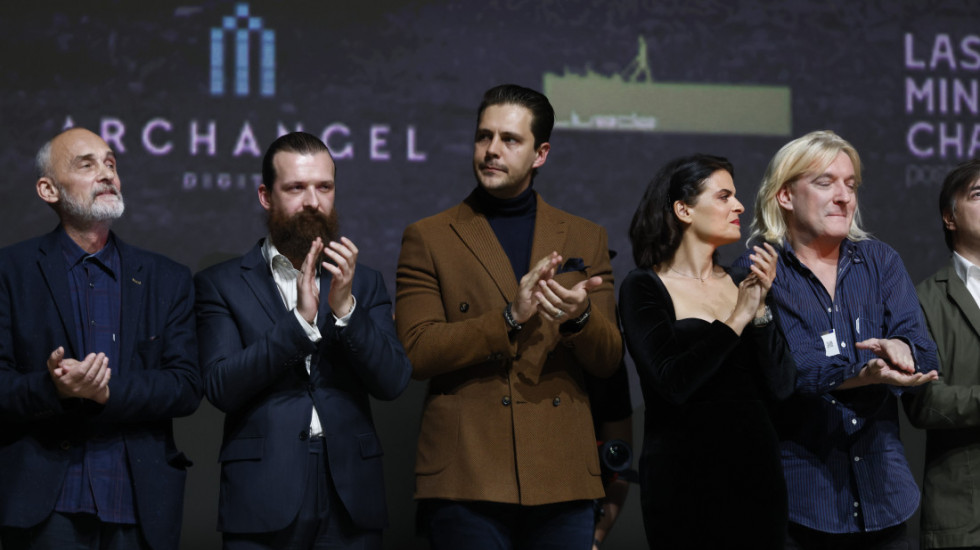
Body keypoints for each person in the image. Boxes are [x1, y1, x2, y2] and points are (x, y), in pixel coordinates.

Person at [395, 83, 623, 550]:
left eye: (509, 139)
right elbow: (416, 351)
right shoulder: (430, 237)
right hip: (468, 473)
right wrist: (508, 318)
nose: (491, 150)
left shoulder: (585, 236)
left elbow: (608, 360)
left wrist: (580, 318)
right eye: (484, 136)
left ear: (541, 154)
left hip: (562, 472)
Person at [194, 132, 412, 549]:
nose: (312, 201)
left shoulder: (364, 282)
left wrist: (346, 310)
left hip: (351, 491)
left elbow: (393, 381)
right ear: (266, 196)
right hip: (263, 491)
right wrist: (298, 324)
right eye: (296, 188)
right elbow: (220, 386)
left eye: (324, 187)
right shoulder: (221, 284)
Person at [0, 128, 201, 550]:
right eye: (87, 164)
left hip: (136, 504)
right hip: (44, 505)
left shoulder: (166, 278)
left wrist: (106, 391)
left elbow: (185, 385)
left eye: (111, 163)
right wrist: (53, 387)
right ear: (48, 189)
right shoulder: (10, 272)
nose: (107, 173)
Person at [736, 130, 939, 549]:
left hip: (885, 498)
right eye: (825, 183)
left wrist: (902, 350)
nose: (844, 197)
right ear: (785, 195)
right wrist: (866, 372)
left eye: (851, 184)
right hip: (802, 505)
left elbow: (924, 353)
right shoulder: (757, 270)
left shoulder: (881, 261)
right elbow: (794, 372)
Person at [619, 154, 794, 549]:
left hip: (758, 479)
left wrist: (760, 312)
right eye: (724, 196)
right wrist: (737, 318)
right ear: (684, 210)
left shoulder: (745, 282)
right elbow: (672, 383)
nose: (740, 206)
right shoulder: (644, 287)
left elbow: (782, 386)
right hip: (682, 484)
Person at [905, 159, 980, 550]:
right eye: (979, 194)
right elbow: (922, 401)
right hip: (965, 513)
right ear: (950, 218)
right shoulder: (922, 300)